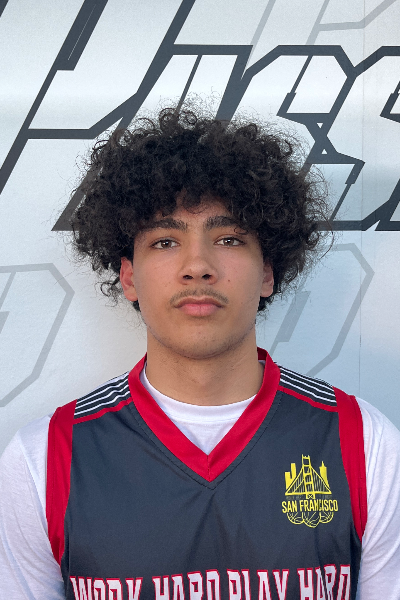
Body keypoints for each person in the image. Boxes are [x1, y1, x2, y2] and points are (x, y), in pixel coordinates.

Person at [0, 107, 399, 600]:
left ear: (268, 273)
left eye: (228, 238)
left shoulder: (364, 444)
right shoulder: (44, 458)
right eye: (165, 241)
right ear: (129, 278)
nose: (197, 265)